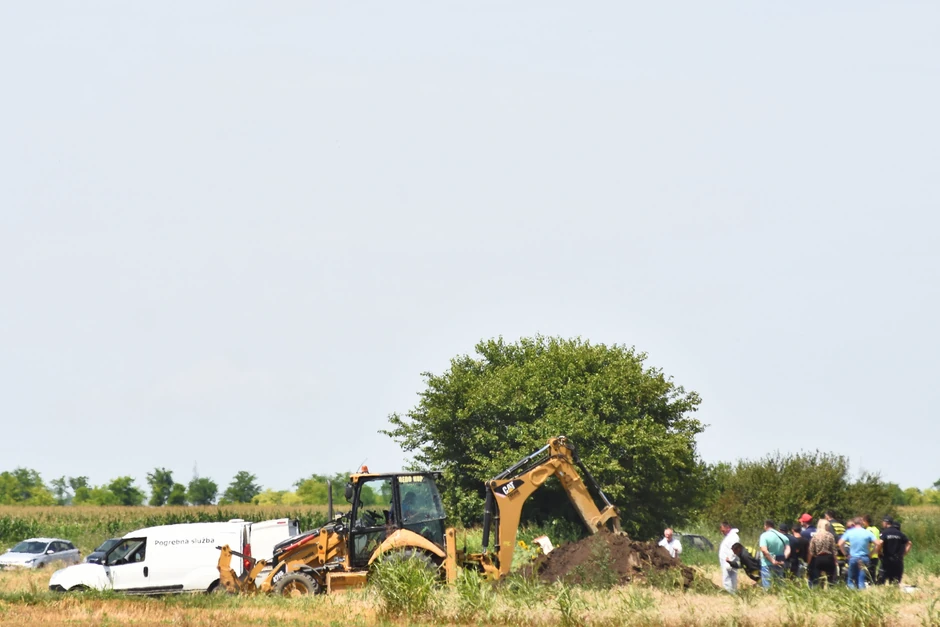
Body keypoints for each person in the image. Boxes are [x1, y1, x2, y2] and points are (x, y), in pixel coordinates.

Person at [838, 517, 881, 590]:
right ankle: (861, 595)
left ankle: (852, 594)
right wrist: (872, 553)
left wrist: (845, 554)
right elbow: (878, 544)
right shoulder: (867, 532)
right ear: (862, 523)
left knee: (851, 579)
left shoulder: (849, 532)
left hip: (853, 557)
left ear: (854, 524)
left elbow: (840, 544)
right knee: (861, 579)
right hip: (864, 557)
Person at [878, 517, 912, 585]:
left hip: (887, 559)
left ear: (886, 523)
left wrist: (879, 551)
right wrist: (904, 553)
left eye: (883, 522)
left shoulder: (885, 532)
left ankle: (881, 591)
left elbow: (880, 542)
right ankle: (895, 592)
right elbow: (909, 543)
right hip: (898, 559)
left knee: (881, 578)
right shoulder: (899, 533)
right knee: (895, 581)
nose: (882, 523)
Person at [758, 519, 790, 589]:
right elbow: (788, 549)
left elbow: (764, 550)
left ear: (766, 525)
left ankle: (769, 598)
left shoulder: (764, 536)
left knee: (767, 586)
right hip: (780, 563)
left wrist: (772, 561)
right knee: (780, 585)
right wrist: (784, 557)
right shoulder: (783, 536)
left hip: (767, 564)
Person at [807, 519, 838, 586]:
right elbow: (834, 550)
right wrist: (836, 560)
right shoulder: (830, 535)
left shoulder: (815, 536)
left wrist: (809, 562)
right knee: (830, 578)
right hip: (829, 558)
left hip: (818, 558)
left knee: (818, 578)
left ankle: (819, 591)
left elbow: (811, 551)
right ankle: (831, 591)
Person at [718, 522, 741, 593]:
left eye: (723, 530)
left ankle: (730, 592)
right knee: (728, 577)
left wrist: (730, 559)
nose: (722, 532)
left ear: (728, 528)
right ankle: (731, 592)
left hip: (730, 560)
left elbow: (735, 548)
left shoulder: (734, 537)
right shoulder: (730, 536)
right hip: (727, 561)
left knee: (728, 578)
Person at [862, 514, 881, 584]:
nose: (862, 523)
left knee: (867, 574)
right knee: (873, 573)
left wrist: (868, 553)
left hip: (869, 554)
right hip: (875, 555)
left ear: (866, 521)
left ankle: (869, 587)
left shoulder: (867, 530)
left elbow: (868, 543)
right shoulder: (876, 529)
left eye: (863, 521)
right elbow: (878, 542)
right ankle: (873, 587)